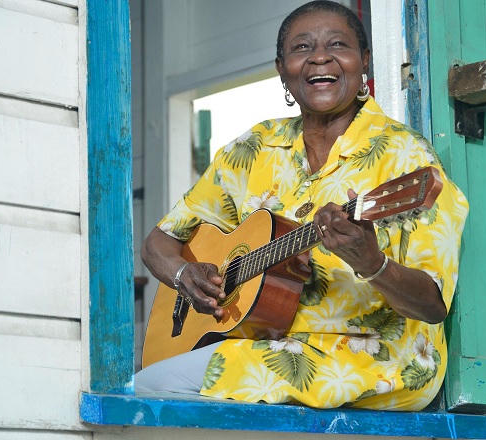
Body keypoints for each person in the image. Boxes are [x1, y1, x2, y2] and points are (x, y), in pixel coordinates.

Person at [136, 0, 468, 410]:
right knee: (148, 384)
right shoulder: (255, 147)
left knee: (152, 388)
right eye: (302, 47)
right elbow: (158, 243)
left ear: (364, 60)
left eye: (337, 45)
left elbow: (431, 305)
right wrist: (184, 273)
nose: (320, 57)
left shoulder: (406, 156)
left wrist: (371, 262)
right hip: (268, 347)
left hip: (374, 359)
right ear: (282, 68)